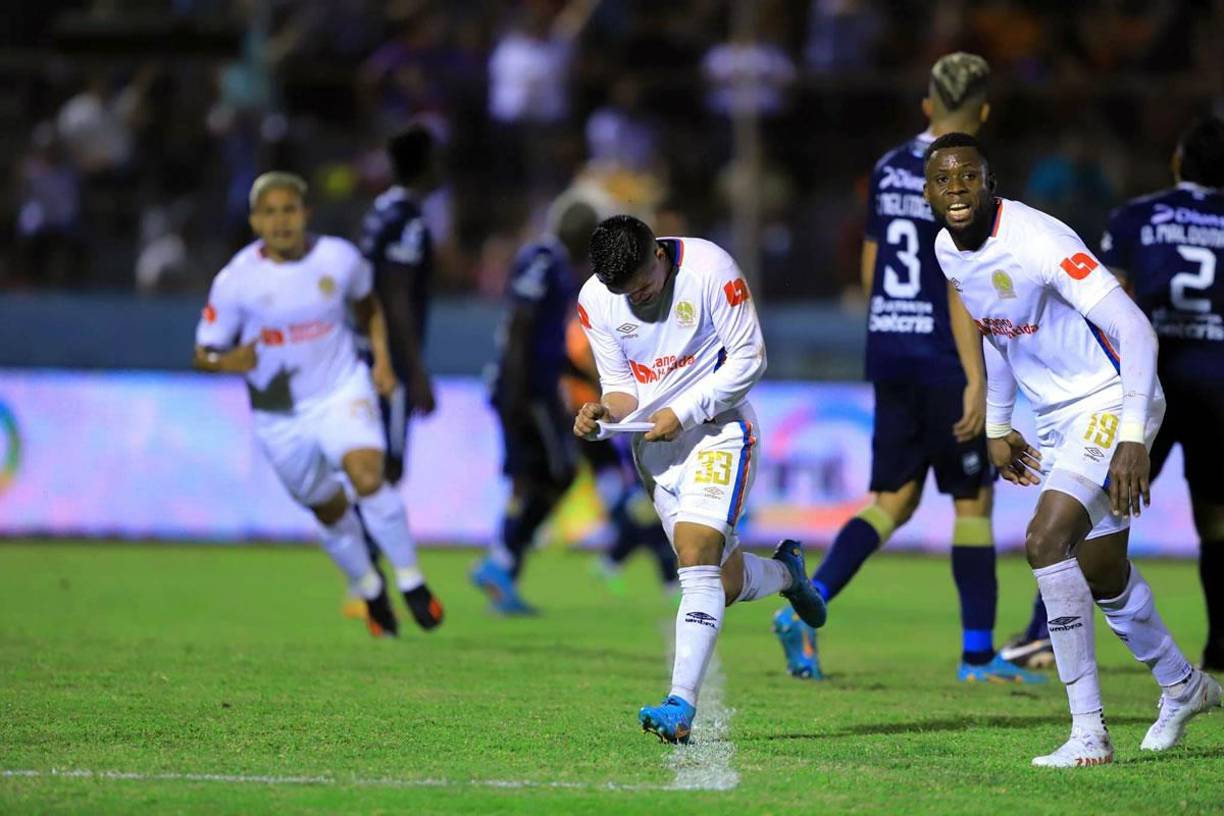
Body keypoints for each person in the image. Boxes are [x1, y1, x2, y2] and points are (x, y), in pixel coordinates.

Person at [924, 132, 1221, 767]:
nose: (956, 190)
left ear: (990, 183)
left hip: (1111, 398)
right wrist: (1000, 424)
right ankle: (1183, 685)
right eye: (943, 179)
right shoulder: (949, 251)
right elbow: (997, 331)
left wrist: (1134, 436)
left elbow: (1135, 328)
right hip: (1058, 414)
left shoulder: (1040, 241)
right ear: (929, 191)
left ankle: (1089, 732)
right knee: (1101, 568)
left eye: (968, 177)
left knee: (1044, 541)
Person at [774, 52, 1043, 683]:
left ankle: (807, 606)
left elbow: (872, 271)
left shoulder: (890, 166)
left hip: (889, 347)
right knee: (972, 502)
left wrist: (893, 330)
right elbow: (967, 279)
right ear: (983, 111)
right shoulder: (970, 176)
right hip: (949, 357)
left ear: (927, 104)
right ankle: (978, 655)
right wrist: (980, 376)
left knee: (892, 499)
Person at [572, 215, 827, 743]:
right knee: (724, 582)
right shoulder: (595, 298)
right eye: (625, 292)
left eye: (643, 284)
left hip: (719, 431)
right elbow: (622, 388)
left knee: (695, 553)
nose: (637, 298)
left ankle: (680, 705)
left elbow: (750, 359)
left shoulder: (711, 268)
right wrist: (603, 414)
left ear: (659, 256)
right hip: (657, 450)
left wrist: (686, 412)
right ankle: (786, 575)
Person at [193, 171, 443, 637]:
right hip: (279, 416)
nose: (281, 221)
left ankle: (412, 582)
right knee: (328, 510)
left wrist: (383, 363)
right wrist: (230, 362)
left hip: (340, 390)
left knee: (369, 474)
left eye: (289, 210)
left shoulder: (339, 259)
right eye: (270, 212)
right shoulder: (235, 282)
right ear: (254, 221)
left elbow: (368, 308)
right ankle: (370, 588)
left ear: (306, 213)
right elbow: (203, 353)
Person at [1099, 115, 1224, 672]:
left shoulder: (1135, 217)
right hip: (1219, 386)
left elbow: (1108, 305)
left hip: (1150, 383)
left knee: (1095, 504)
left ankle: (1043, 634)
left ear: (1178, 161)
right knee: (1217, 520)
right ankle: (1221, 642)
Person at [470, 199, 600, 614]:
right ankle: (500, 560)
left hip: (527, 385)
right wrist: (519, 393)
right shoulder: (547, 263)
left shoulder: (545, 261)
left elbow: (539, 338)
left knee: (532, 478)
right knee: (559, 471)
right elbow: (522, 327)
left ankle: (502, 567)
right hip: (528, 390)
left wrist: (583, 378)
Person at [337, 124, 442, 622]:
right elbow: (395, 294)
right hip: (390, 363)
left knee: (375, 469)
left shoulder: (379, 211)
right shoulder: (409, 220)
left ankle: (367, 582)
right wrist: (414, 371)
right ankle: (367, 584)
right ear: (425, 165)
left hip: (359, 352)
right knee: (386, 469)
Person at [561, 314, 678, 596]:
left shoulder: (611, 327)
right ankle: (655, 568)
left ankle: (618, 561)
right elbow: (588, 364)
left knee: (643, 504)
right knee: (642, 503)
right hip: (601, 427)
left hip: (615, 425)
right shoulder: (583, 330)